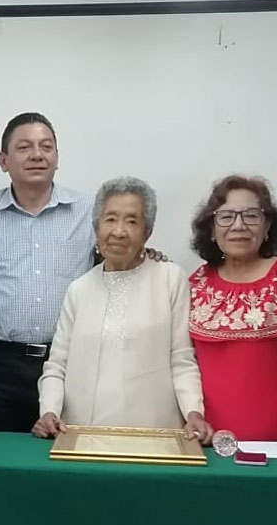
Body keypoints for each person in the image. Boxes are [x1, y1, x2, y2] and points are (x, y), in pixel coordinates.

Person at [33, 178, 211, 441]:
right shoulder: (79, 289)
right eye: (110, 219)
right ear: (96, 227)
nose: (118, 231)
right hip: (81, 432)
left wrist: (194, 411)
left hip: (153, 432)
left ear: (147, 232)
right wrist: (49, 411)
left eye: (131, 221)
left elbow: (182, 359)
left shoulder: (170, 279)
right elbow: (57, 365)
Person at [0, 113, 93, 432]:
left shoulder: (89, 212)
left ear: (57, 157)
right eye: (24, 147)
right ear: (3, 161)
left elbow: (117, 267)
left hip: (67, 365)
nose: (37, 155)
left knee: (62, 456)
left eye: (46, 146)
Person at [187, 175, 277, 441]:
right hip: (208, 441)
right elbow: (184, 363)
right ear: (211, 229)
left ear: (267, 226)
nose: (239, 226)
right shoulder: (196, 284)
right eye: (226, 217)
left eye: (251, 216)